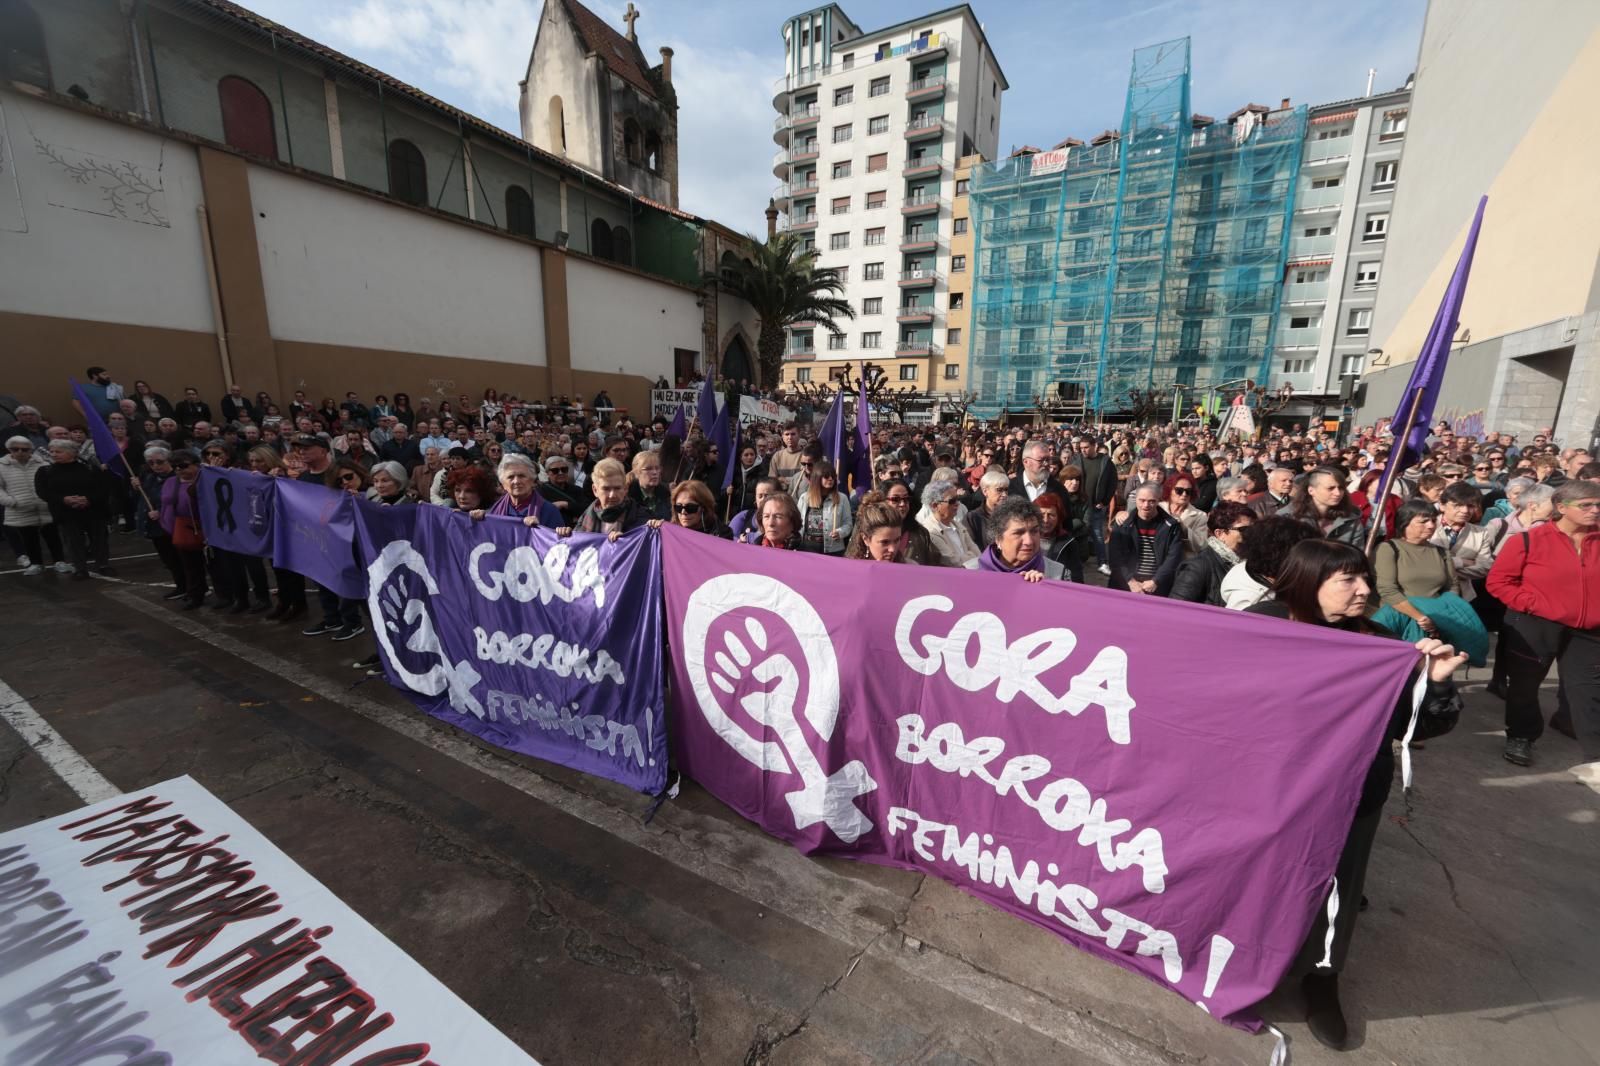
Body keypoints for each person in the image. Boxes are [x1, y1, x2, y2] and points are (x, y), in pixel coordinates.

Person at [1246, 539, 1466, 1050]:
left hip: (1351, 793)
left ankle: (1322, 980)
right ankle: (1243, 963)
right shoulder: (1263, 624)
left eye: (1365, 577)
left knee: (1336, 890)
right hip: (1266, 787)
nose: (1365, 589)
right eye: (1348, 579)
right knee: (1257, 879)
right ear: (1308, 581)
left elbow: (1420, 729)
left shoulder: (1378, 641)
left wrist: (1432, 685)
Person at [1486, 479, 1600, 776]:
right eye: (1586, 505)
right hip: (1534, 624)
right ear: (1561, 508)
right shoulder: (1528, 540)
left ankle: (1596, 756)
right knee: (1525, 684)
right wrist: (1533, 604)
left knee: (1588, 690)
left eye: (1598, 505)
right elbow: (1498, 582)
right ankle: (1521, 736)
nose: (1595, 510)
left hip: (1588, 631)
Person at [1372, 500, 1489, 665]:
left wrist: (1440, 616)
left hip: (1436, 622)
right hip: (1399, 619)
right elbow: (1388, 590)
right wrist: (1420, 617)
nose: (1431, 525)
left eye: (1433, 520)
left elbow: (1452, 588)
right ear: (1405, 523)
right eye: (1423, 521)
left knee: (1433, 673)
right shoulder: (1389, 549)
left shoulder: (1441, 552)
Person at [33, 439, 112, 579]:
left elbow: (103, 488)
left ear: (72, 453)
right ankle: (80, 568)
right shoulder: (45, 471)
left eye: (59, 451)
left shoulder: (90, 468)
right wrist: (64, 499)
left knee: (99, 539)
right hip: (66, 513)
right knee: (73, 541)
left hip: (93, 510)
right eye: (52, 451)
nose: (54, 454)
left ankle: (103, 564)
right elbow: (42, 492)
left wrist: (88, 499)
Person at [1, 436, 67, 574]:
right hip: (20, 508)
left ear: (31, 450)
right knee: (28, 538)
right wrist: (10, 501)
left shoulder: (43, 463)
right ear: (9, 449)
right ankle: (36, 563)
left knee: (53, 536)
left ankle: (60, 561)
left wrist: (51, 499)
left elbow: (53, 483)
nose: (20, 452)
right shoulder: (1, 466)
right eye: (15, 449)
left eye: (24, 449)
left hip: (45, 506)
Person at [1170, 502, 1254, 607]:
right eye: (1244, 530)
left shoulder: (1252, 564)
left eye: (1253, 529)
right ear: (1220, 534)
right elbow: (1176, 609)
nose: (1251, 534)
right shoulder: (1197, 567)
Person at [967, 497, 1066, 581]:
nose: (1029, 541)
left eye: (1034, 531)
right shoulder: (969, 572)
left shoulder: (1057, 574)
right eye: (1018, 533)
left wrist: (1047, 590)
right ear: (998, 538)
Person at [1109, 483, 1183, 596]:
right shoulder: (1123, 523)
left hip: (1157, 586)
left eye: (1151, 501)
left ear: (1159, 500)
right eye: (1142, 500)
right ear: (1135, 499)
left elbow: (1173, 557)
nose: (1146, 505)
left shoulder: (1171, 526)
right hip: (1124, 584)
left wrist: (1156, 580)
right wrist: (1130, 581)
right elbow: (1115, 557)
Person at [158, 450, 208, 607]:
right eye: (175, 466)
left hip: (204, 527)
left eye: (183, 465)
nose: (179, 469)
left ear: (196, 465)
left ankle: (224, 594)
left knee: (213, 565)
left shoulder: (206, 480)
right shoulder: (171, 482)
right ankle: (195, 595)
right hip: (180, 528)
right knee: (190, 565)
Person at [1283, 467, 1366, 547]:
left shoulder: (1351, 520)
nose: (1337, 493)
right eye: (1330, 488)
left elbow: (1355, 555)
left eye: (1341, 488)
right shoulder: (1287, 517)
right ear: (1311, 490)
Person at [473, 453, 562, 527]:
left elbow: (557, 544)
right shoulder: (492, 512)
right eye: (510, 477)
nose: (516, 481)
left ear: (532, 480)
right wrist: (478, 521)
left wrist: (539, 529)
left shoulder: (549, 511)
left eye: (521, 476)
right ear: (503, 484)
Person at [569, 458, 650, 538]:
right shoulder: (587, 515)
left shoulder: (642, 516)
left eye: (617, 488)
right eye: (606, 489)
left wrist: (626, 540)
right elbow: (577, 543)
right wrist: (566, 536)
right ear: (595, 490)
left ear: (625, 489)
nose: (612, 495)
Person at [917, 480, 980, 567]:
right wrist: (972, 557)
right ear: (935, 506)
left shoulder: (958, 525)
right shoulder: (930, 531)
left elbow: (977, 552)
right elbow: (953, 562)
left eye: (957, 499)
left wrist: (969, 558)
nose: (957, 504)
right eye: (952, 501)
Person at [796, 460, 852, 555]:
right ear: (817, 478)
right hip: (807, 548)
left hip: (833, 549)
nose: (830, 479)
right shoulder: (804, 498)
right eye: (826, 476)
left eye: (833, 477)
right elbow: (797, 523)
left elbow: (848, 523)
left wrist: (840, 532)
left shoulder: (842, 498)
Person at [1161, 473, 1208, 555]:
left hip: (1183, 563)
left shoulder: (1200, 516)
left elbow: (1201, 545)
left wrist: (1184, 529)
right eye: (1179, 490)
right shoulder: (1159, 508)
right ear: (1169, 490)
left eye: (1188, 491)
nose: (1184, 494)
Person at [966, 469, 1011, 549]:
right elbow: (970, 547)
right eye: (999, 490)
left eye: (1006, 490)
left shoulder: (1013, 515)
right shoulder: (972, 518)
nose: (1004, 494)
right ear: (985, 492)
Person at [628, 450, 670, 522]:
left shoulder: (667, 493)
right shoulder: (627, 497)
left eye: (657, 468)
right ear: (636, 472)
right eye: (648, 469)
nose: (655, 472)